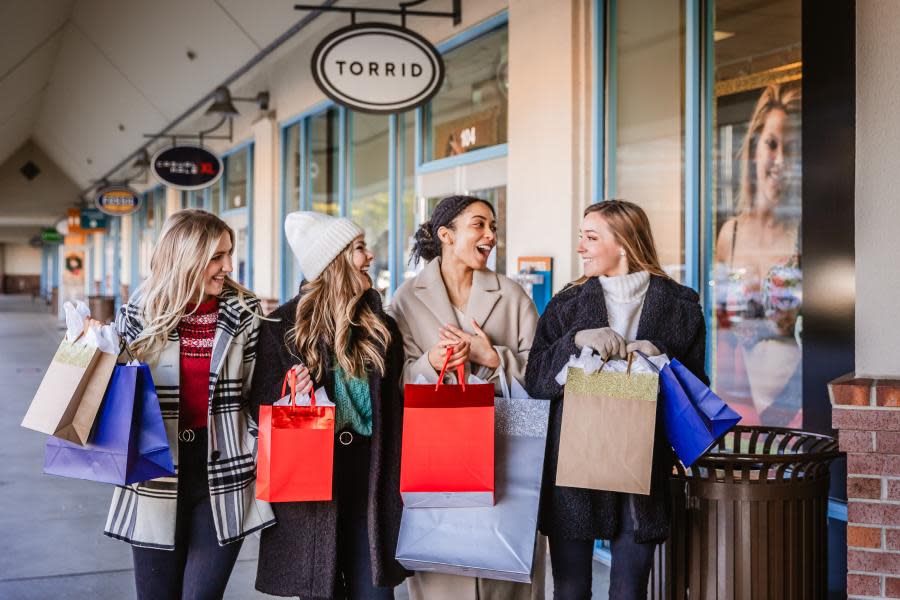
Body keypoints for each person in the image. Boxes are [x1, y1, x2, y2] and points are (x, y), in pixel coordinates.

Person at [524, 200, 708, 600]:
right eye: (581, 237)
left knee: (630, 590)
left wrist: (660, 358)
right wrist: (575, 342)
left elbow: (697, 391)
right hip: (573, 463)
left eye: (591, 238)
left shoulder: (682, 307)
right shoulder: (565, 305)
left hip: (642, 465)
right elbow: (535, 380)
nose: (580, 248)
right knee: (570, 590)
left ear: (623, 243)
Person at [108, 209, 275, 599]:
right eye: (216, 257)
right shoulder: (139, 313)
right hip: (154, 472)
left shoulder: (245, 312)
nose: (228, 266)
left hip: (223, 470)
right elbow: (115, 396)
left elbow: (258, 393)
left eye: (229, 254)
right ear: (186, 257)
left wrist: (251, 443)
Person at [389, 195, 545, 600]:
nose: (491, 235)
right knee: (443, 577)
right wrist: (430, 361)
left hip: (505, 454)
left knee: (504, 578)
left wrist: (490, 357)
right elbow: (393, 382)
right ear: (446, 235)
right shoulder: (406, 300)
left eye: (493, 227)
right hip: (437, 458)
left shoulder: (511, 296)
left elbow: (544, 374)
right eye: (479, 225)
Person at [249, 211, 408, 600]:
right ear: (333, 261)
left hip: (372, 475)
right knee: (320, 591)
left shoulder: (380, 325)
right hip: (312, 480)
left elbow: (396, 405)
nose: (369, 257)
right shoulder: (281, 326)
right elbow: (260, 407)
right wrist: (289, 392)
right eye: (358, 249)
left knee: (374, 592)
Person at [714, 83, 802, 426]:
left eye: (791, 149)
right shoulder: (730, 236)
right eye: (772, 144)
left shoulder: (803, 237)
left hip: (796, 401)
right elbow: (722, 333)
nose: (780, 160)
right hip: (741, 401)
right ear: (754, 149)